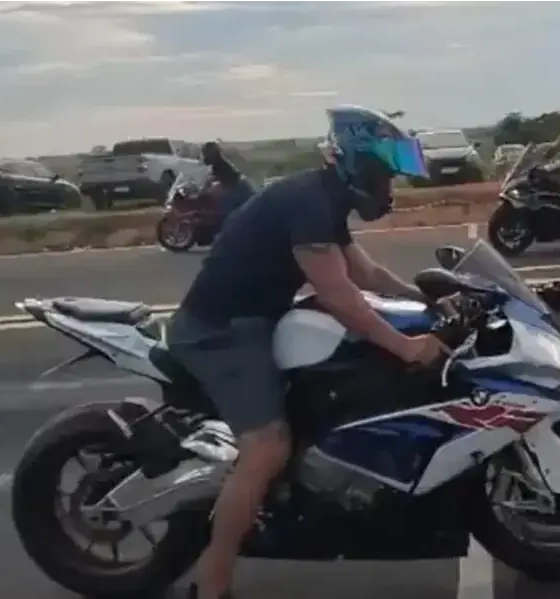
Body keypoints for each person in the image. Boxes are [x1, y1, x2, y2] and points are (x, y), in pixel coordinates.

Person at [167, 105, 450, 599]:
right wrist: (405, 346)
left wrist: (427, 300)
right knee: (267, 447)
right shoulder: (308, 203)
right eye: (385, 175)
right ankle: (212, 580)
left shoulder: (324, 198)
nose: (389, 187)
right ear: (360, 167)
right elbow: (340, 295)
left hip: (258, 320)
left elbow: (366, 274)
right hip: (221, 332)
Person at [200, 141, 256, 226]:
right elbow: (211, 181)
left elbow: (225, 184)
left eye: (206, 154)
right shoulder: (218, 166)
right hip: (238, 190)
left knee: (223, 215)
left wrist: (206, 191)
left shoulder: (221, 166)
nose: (204, 157)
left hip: (239, 192)